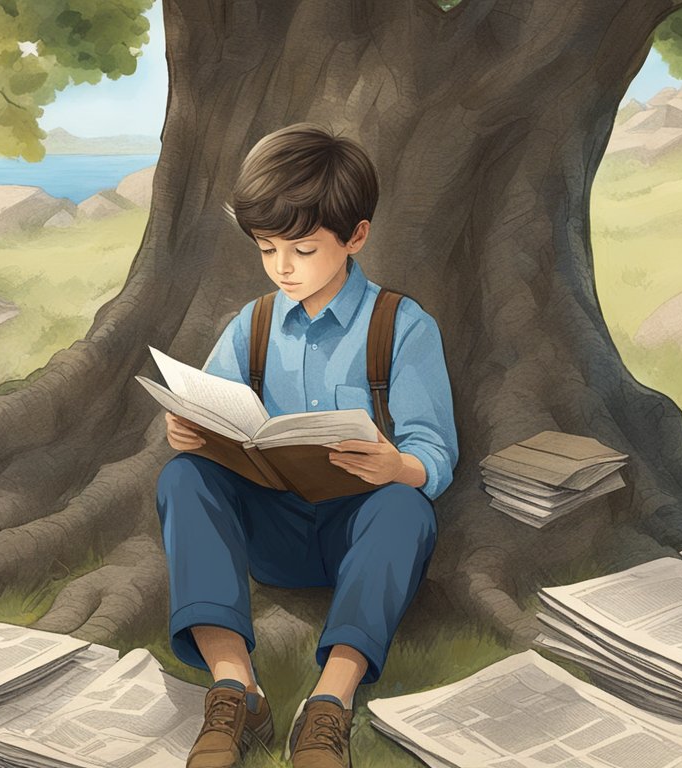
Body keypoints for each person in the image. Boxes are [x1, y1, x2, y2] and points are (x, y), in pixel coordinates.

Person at [155, 122, 458, 768]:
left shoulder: (402, 327)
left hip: (360, 531)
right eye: (267, 250)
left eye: (301, 249)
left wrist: (397, 464)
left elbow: (435, 453)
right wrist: (189, 429)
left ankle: (329, 704)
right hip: (274, 527)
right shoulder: (254, 324)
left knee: (408, 507)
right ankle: (235, 686)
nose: (282, 268)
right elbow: (208, 405)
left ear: (356, 237)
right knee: (182, 477)